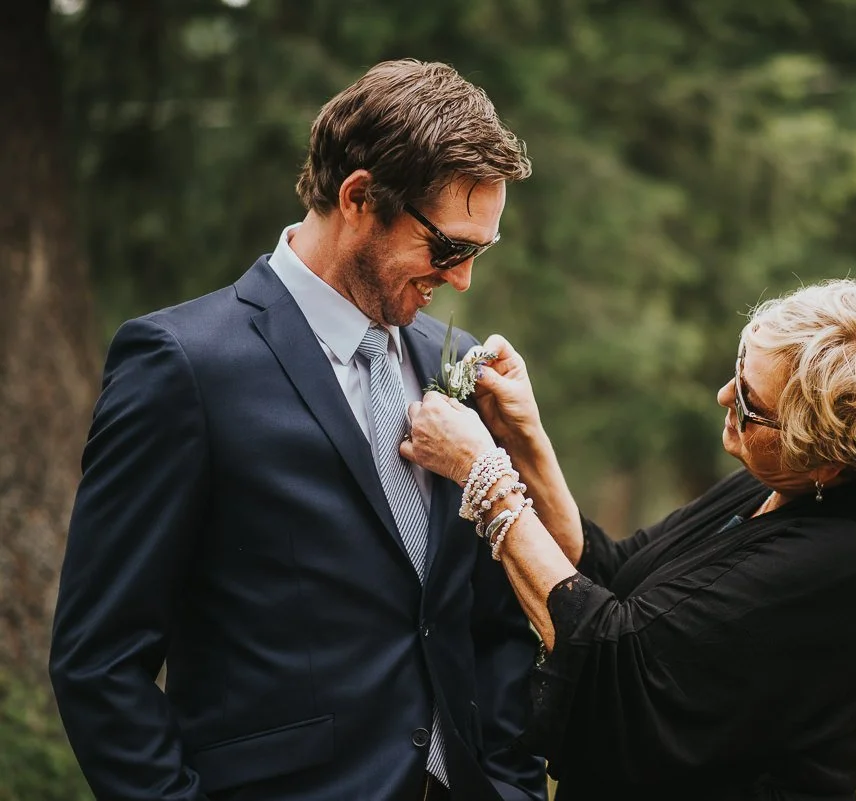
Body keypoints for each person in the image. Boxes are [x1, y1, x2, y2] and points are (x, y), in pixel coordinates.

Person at [49, 60, 546, 801]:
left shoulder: (458, 366)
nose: (464, 279)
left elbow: (493, 626)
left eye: (479, 251)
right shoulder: (183, 365)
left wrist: (511, 786)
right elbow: (99, 658)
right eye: (449, 248)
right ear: (358, 198)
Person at [400, 277, 856, 801]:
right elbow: (610, 575)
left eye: (749, 403)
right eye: (740, 369)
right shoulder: (780, 487)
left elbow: (614, 662)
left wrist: (484, 476)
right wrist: (524, 438)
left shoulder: (853, 564)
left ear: (826, 457)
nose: (723, 396)